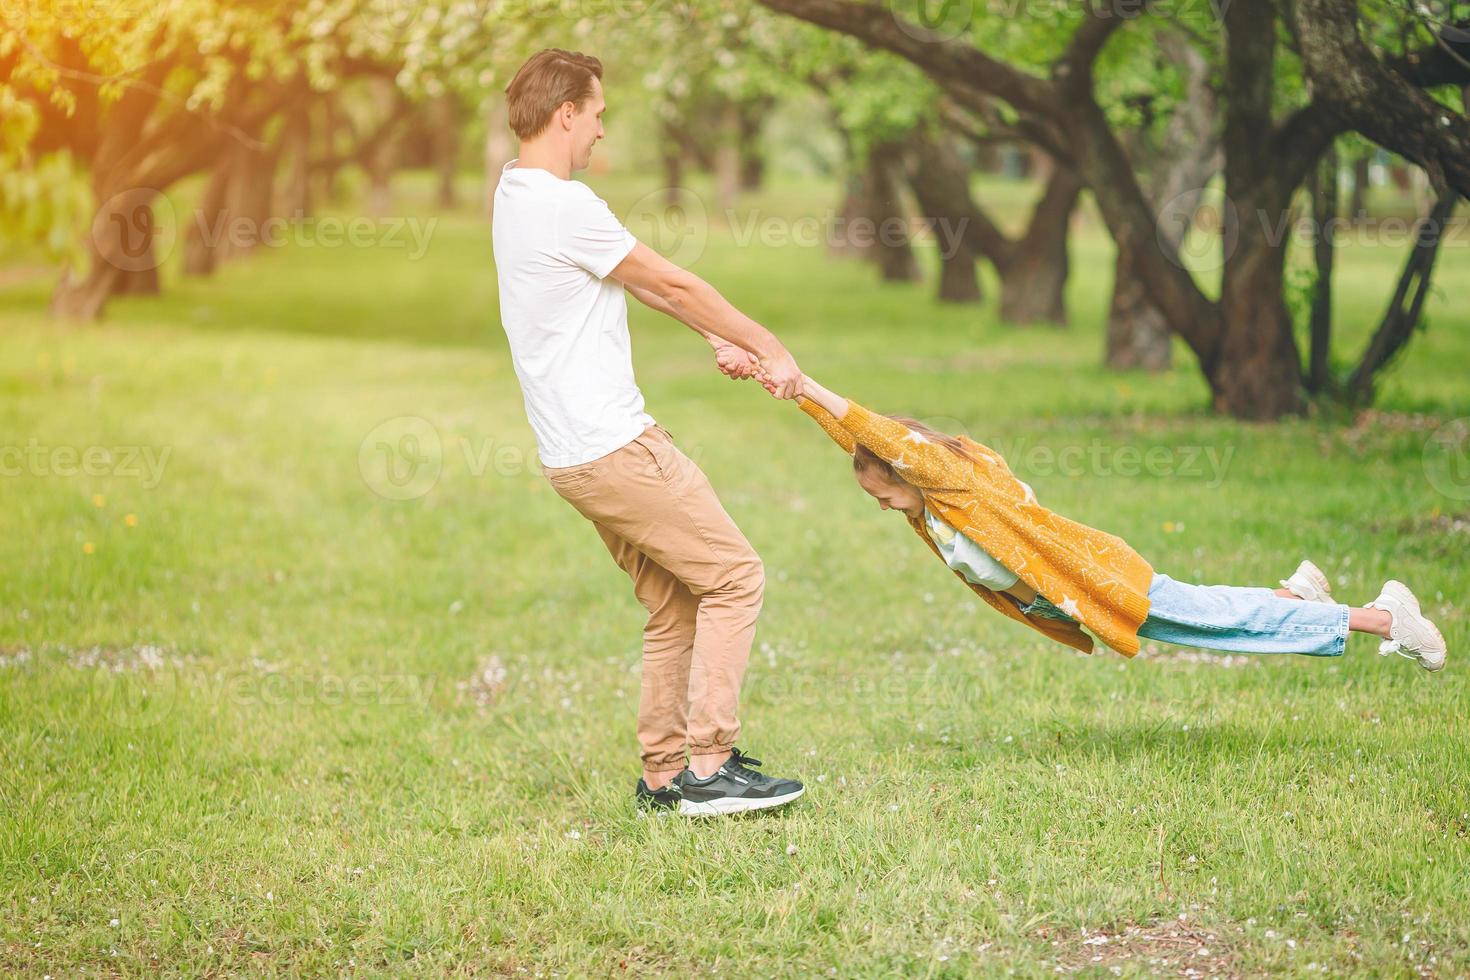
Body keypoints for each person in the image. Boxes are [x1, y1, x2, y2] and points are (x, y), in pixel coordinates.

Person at [491, 48, 806, 816]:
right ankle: (710, 767)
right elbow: (670, 280)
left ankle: (666, 773)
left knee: (675, 605)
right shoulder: (567, 204)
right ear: (566, 113)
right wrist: (767, 343)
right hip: (618, 448)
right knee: (735, 577)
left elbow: (626, 284)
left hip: (573, 458)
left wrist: (711, 338)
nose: (601, 130)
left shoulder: (516, 196)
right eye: (597, 113)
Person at [760, 372, 1447, 669]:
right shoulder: (926, 513)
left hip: (1100, 575)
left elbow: (882, 437)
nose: (878, 502)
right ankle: (1297, 599)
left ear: (907, 472)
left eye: (880, 489)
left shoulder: (950, 485)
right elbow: (859, 442)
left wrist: (811, 385)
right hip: (1086, 591)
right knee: (1208, 617)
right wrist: (788, 390)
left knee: (1214, 623)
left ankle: (1385, 618)